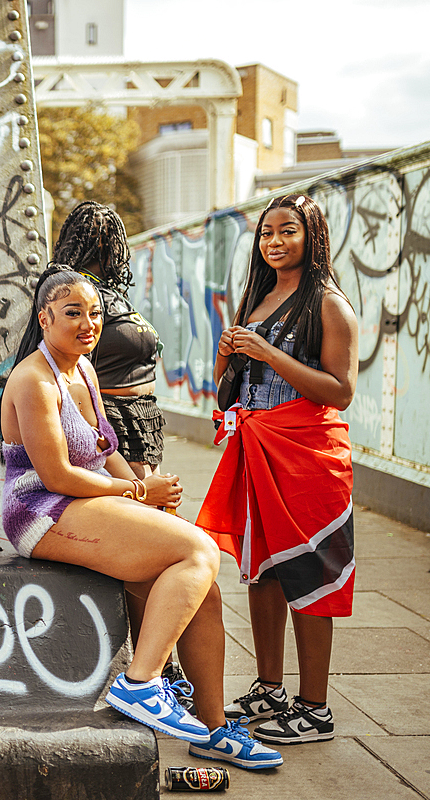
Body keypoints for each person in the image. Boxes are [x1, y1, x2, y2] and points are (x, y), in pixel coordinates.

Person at [0, 266, 283, 770]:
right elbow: (57, 475)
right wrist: (140, 489)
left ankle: (212, 731)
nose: (87, 324)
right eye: (73, 313)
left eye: (95, 313)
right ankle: (141, 683)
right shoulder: (34, 379)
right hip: (40, 512)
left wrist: (147, 500)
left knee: (203, 587)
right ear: (44, 318)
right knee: (199, 549)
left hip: (87, 504)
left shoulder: (82, 369)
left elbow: (105, 448)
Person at [198, 194, 359, 746]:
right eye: (266, 233)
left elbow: (341, 392)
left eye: (286, 231)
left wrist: (268, 354)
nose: (273, 243)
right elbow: (231, 384)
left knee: (310, 574)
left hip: (308, 456)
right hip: (256, 449)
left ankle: (315, 708)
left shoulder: (329, 305)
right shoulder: (259, 297)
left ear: (312, 236)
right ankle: (269, 688)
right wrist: (228, 353)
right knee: (261, 568)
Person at [49, 202, 179, 683]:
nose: (104, 243)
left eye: (110, 234)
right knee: (148, 552)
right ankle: (155, 673)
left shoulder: (108, 295)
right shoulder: (68, 293)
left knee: (159, 547)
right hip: (115, 425)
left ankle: (162, 666)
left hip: (142, 422)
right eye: (94, 234)